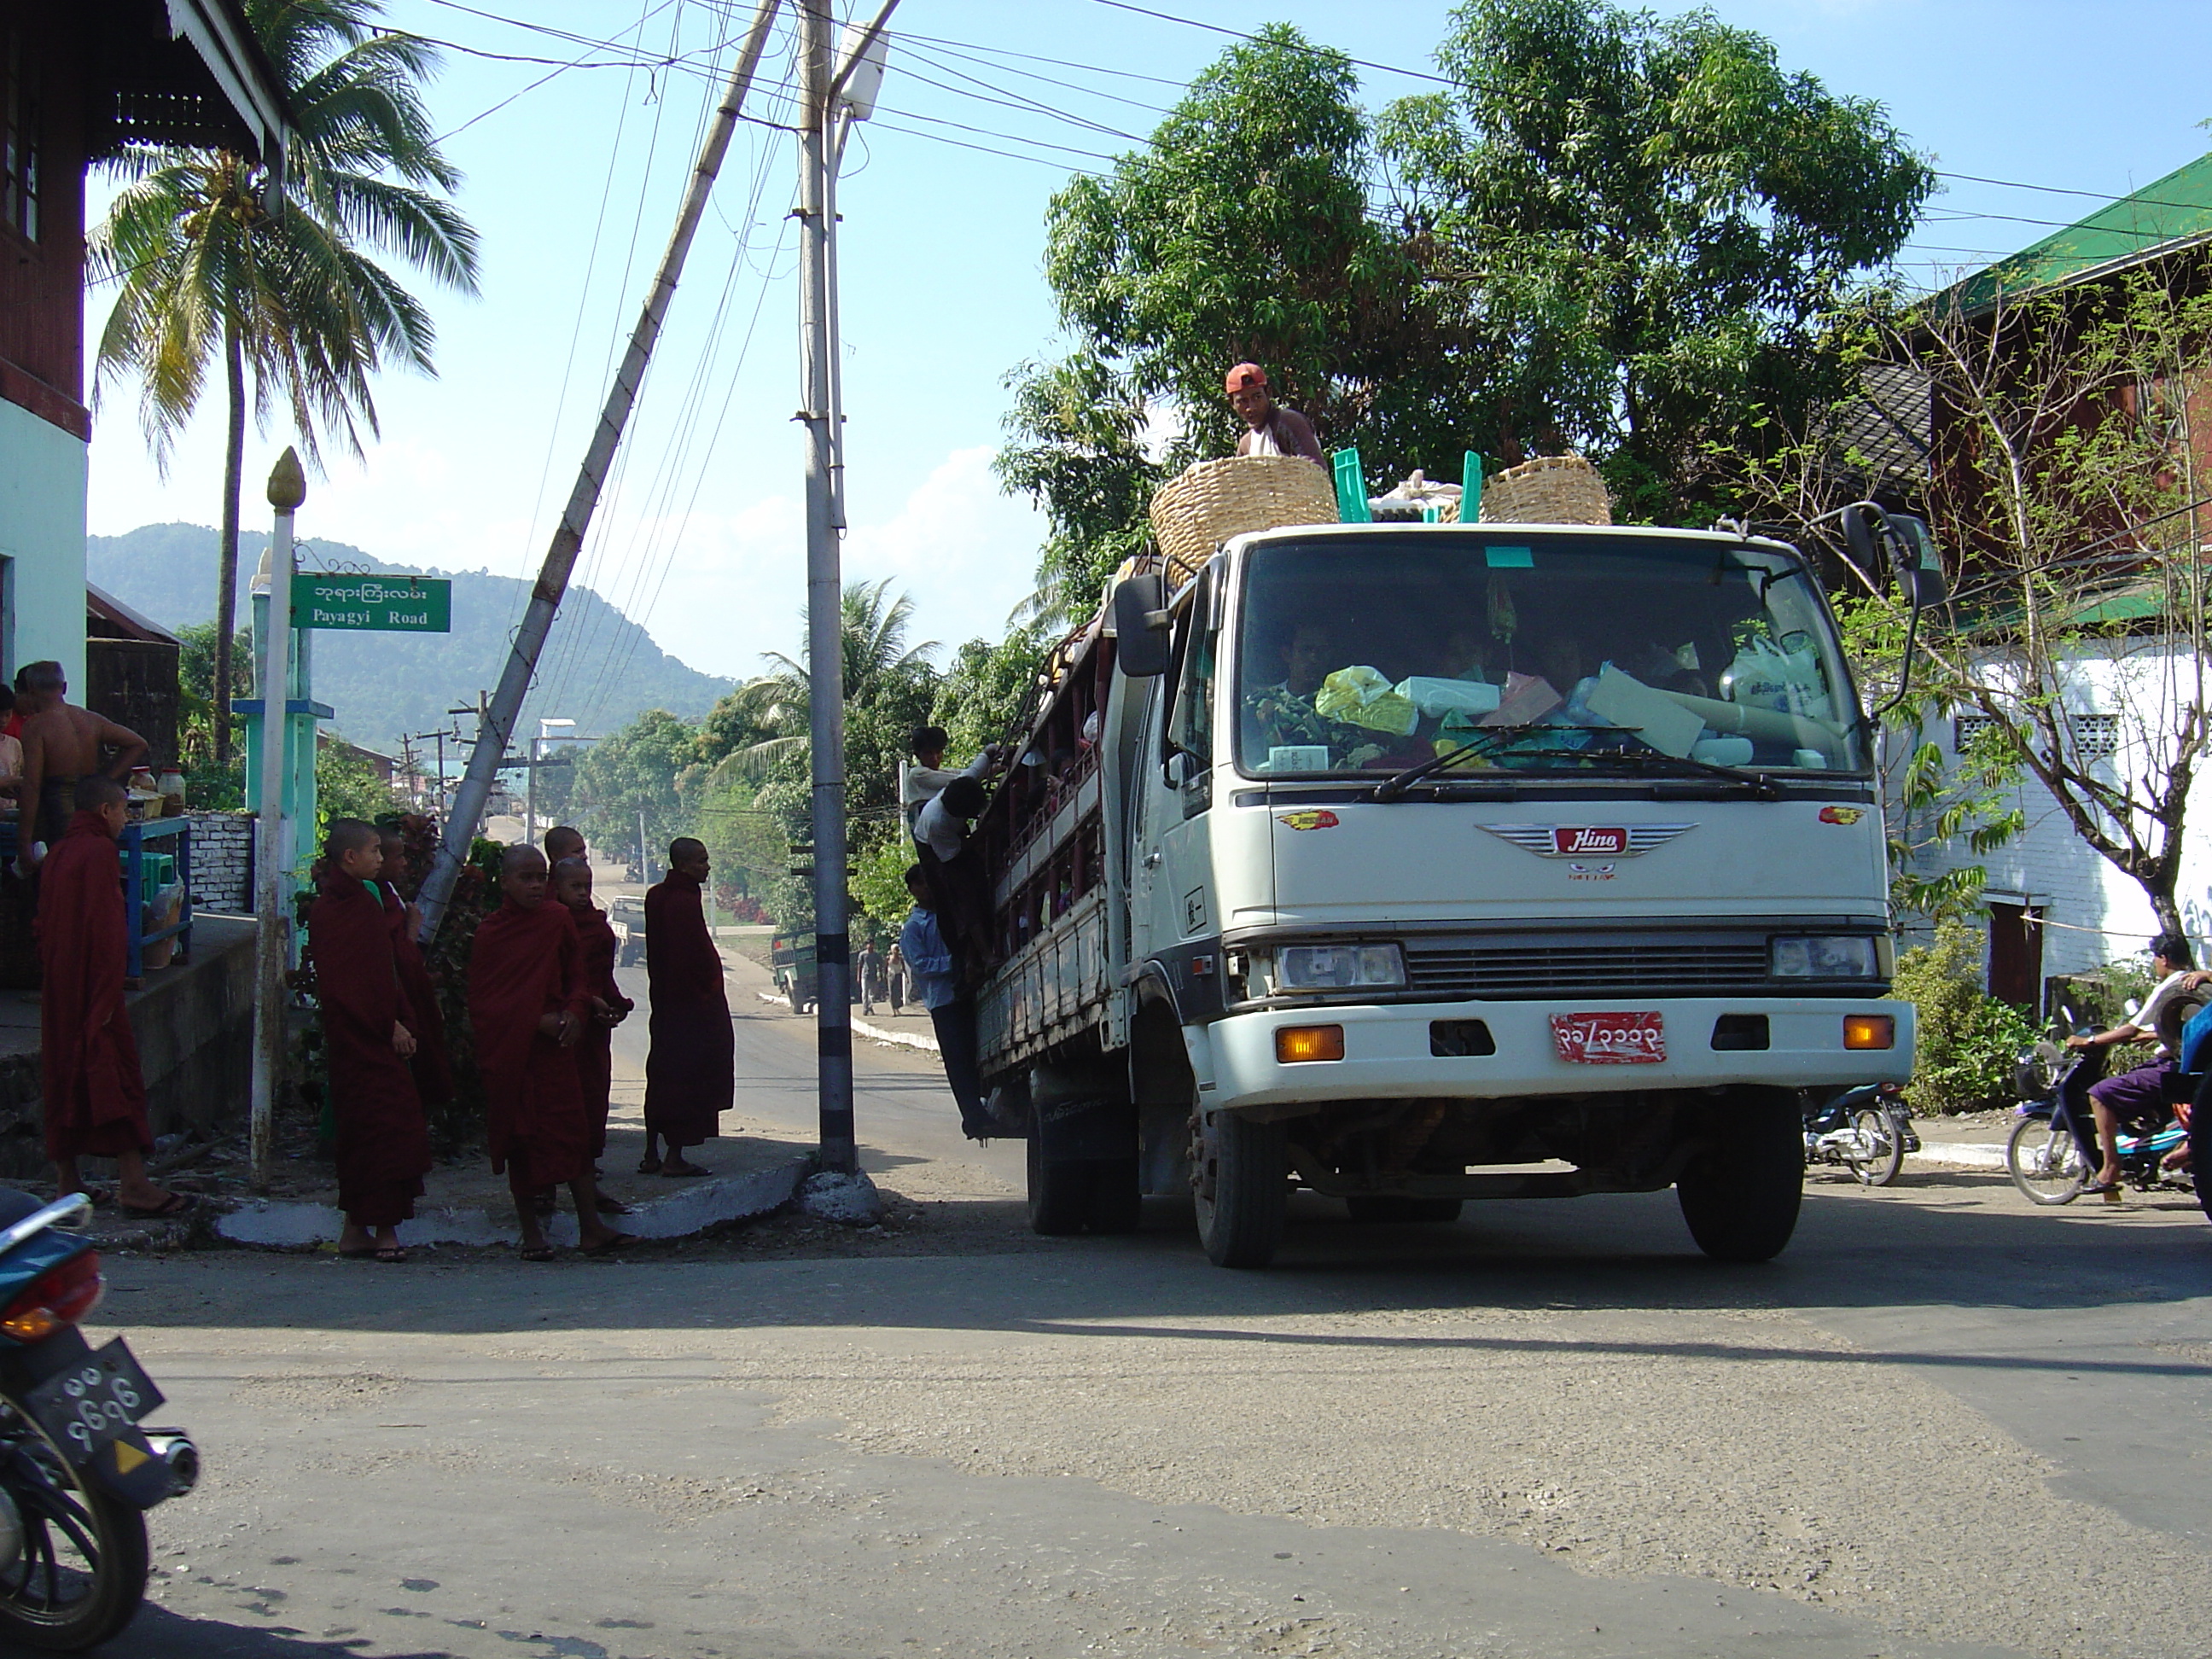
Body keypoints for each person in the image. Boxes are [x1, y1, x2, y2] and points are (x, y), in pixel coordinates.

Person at [468, 845, 626, 1260]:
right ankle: (531, 1234)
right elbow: (484, 1001)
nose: (537, 886)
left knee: (572, 1135)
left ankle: (590, 1227)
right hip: (517, 1053)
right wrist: (533, 1019)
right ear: (505, 882)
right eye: (526, 878)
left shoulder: (557, 921)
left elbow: (577, 976)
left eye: (542, 878)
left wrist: (575, 1010)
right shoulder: (491, 932)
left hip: (557, 1049)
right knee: (521, 1138)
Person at [37, 776, 183, 1216]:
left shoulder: (59, 852)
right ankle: (134, 1184)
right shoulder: (100, 852)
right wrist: (105, 995)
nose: (125, 820)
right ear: (104, 811)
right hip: (92, 984)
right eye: (123, 811)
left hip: (59, 985)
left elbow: (43, 923)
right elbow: (106, 929)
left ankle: (67, 1182)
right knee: (113, 1077)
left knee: (64, 1074)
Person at [307, 819, 432, 1262]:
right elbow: (346, 985)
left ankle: (354, 1229)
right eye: (375, 851)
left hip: (371, 1030)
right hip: (361, 1036)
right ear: (350, 858)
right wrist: (389, 1026)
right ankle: (384, 1233)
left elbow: (383, 970)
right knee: (377, 1132)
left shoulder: (364, 900)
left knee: (371, 1132)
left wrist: (399, 1015)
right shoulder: (338, 909)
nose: (381, 859)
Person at [2064, 932, 2212, 1193]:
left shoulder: (2172, 986)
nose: (2155, 964)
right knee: (2133, 1080)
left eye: (2155, 958)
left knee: (2100, 1093)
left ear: (2163, 959)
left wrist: (2088, 1041)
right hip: (2190, 1065)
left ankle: (2110, 1169)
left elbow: (2129, 1030)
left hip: (2173, 1067)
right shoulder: (2193, 984)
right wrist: (2156, 1034)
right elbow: (2188, 1026)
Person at [642, 837, 732, 1177]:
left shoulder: (657, 895)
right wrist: (706, 995)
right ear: (682, 865)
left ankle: (651, 1152)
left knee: (661, 1074)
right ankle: (674, 1157)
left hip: (665, 1005)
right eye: (700, 861)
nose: (706, 867)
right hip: (690, 1009)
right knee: (688, 1079)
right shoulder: (681, 900)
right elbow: (687, 957)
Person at [554, 853, 633, 1210]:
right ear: (556, 888)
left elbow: (602, 974)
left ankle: (588, 1177)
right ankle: (545, 1190)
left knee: (591, 1100)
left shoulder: (597, 926)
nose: (584, 894)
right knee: (560, 1107)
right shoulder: (550, 926)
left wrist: (615, 1004)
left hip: (593, 1034)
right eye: (575, 887)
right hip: (560, 1031)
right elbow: (553, 980)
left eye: (588, 887)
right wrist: (588, 1002)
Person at [15, 661, 148, 859]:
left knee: (60, 873)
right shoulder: (90, 719)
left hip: (57, 810)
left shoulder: (36, 727)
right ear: (65, 687)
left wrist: (24, 841)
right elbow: (138, 743)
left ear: (31, 689)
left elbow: (32, 786)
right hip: (92, 806)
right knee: (90, 864)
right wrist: (105, 780)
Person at [898, 865, 990, 1139]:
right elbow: (921, 965)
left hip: (965, 993)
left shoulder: (949, 915)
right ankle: (973, 1116)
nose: (928, 889)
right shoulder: (914, 928)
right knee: (958, 1061)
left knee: (974, 1053)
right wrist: (957, 964)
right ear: (913, 889)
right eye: (922, 884)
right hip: (943, 1000)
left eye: (931, 883)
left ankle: (982, 1109)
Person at [375, 827, 454, 1120]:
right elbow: (386, 960)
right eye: (398, 857)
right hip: (392, 1006)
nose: (404, 864)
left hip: (409, 998)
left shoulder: (388, 893)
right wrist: (411, 929)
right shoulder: (373, 900)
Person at [912, 772, 993, 981]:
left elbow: (980, 765)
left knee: (978, 890)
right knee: (961, 902)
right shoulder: (937, 822)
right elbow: (953, 856)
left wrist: (993, 754)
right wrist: (984, 833)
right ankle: (976, 959)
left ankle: (978, 956)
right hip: (935, 854)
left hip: (952, 843)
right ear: (960, 813)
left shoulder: (962, 787)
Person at [1226, 363, 1326, 468]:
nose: (1251, 407)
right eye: (1243, 401)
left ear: (1268, 393)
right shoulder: (1246, 445)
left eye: (1257, 397)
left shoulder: (1288, 423)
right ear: (1232, 403)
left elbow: (1315, 469)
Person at [857, 936, 883, 1016]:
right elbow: (859, 965)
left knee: (872, 994)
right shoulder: (863, 954)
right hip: (864, 975)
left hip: (873, 975)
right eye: (868, 944)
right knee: (864, 993)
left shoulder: (876, 955)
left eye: (871, 944)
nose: (870, 946)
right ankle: (865, 1008)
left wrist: (880, 975)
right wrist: (858, 976)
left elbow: (880, 964)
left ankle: (870, 1007)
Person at [887, 940, 906, 1014]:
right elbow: (885, 967)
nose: (896, 951)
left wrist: (906, 976)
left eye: (897, 949)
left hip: (898, 976)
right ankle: (893, 1010)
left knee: (898, 993)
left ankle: (897, 1008)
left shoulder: (900, 958)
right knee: (892, 993)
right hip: (891, 976)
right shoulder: (889, 958)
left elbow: (903, 968)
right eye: (895, 949)